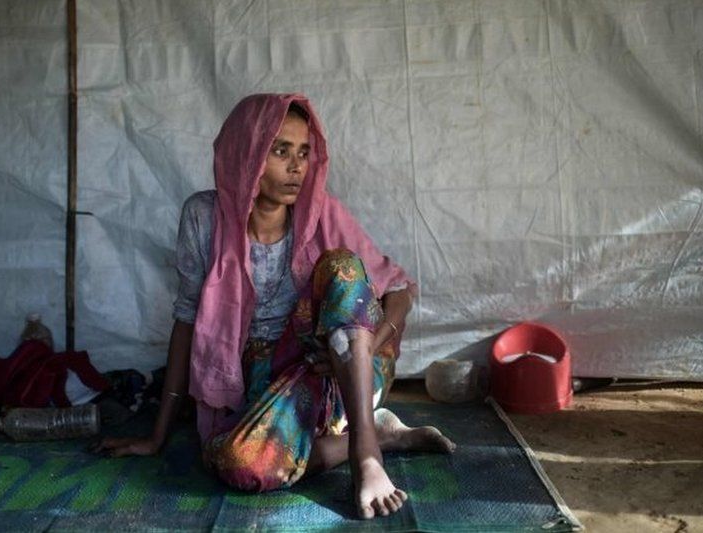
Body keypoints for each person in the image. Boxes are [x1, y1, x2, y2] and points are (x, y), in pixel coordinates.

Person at [92, 93, 455, 519]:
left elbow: (398, 292)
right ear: (245, 152)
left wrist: (365, 350)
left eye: (303, 152)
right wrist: (157, 436)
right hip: (259, 382)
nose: (297, 166)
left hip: (341, 368)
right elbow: (187, 318)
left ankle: (367, 454)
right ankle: (380, 432)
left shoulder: (324, 213)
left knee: (341, 265)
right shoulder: (203, 218)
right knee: (236, 465)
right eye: (280, 151)